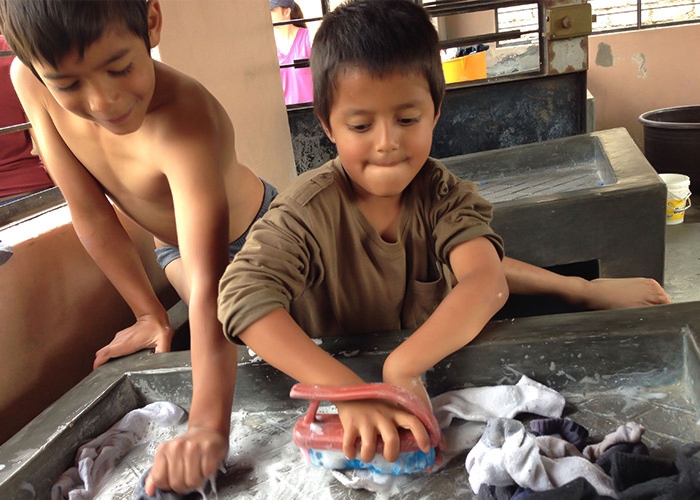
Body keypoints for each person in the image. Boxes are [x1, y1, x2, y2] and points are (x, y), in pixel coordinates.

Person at [217, 0, 668, 483]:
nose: (387, 142)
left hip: (424, 351)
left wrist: (405, 366)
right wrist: (347, 390)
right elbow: (241, 298)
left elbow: (483, 279)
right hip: (340, 362)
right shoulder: (305, 213)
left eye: (407, 119)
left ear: (435, 110)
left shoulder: (445, 196)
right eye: (361, 125)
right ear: (326, 124)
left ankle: (577, 289)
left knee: (472, 265)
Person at [0, 0, 272, 494]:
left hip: (264, 236)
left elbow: (216, 287)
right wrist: (149, 313)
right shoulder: (30, 78)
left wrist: (208, 429)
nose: (102, 101)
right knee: (254, 330)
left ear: (150, 21)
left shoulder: (186, 117)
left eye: (119, 67)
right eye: (68, 85)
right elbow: (90, 212)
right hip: (178, 253)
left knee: (278, 326)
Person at [0, 34, 53, 205]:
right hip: (30, 188)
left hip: (26, 188)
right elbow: (47, 142)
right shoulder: (13, 50)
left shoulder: (12, 52)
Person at [270, 0, 313, 105]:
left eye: (271, 10)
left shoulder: (309, 38)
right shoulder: (265, 47)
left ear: (286, 12)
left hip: (311, 112)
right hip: (282, 115)